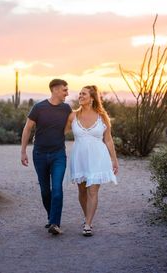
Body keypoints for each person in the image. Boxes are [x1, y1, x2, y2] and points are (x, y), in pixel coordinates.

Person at [65, 85, 118, 236]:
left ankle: (88, 224)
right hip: (79, 158)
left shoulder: (103, 117)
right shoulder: (72, 116)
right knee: (82, 190)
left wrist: (114, 160)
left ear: (92, 98)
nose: (80, 96)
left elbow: (108, 140)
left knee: (93, 190)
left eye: (84, 94)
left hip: (98, 158)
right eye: (80, 93)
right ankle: (87, 216)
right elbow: (60, 133)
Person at [21, 79, 72, 235]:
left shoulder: (66, 108)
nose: (67, 93)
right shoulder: (39, 107)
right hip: (40, 154)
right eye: (65, 90)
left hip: (58, 155)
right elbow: (27, 128)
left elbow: (73, 124)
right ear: (55, 90)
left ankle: (55, 223)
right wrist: (23, 151)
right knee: (45, 190)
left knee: (57, 188)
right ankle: (51, 217)